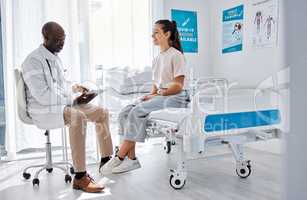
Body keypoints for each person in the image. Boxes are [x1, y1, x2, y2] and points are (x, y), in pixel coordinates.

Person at [21, 22, 113, 193]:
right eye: (57, 40)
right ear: (45, 37)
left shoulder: (55, 57)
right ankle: (80, 177)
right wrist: (72, 100)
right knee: (77, 117)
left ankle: (107, 162)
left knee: (102, 113)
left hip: (60, 104)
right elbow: (42, 96)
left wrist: (76, 89)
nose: (61, 44)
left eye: (63, 40)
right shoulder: (32, 61)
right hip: (42, 109)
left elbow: (60, 88)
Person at [101, 19, 190, 174]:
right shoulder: (157, 59)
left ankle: (120, 156)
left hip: (177, 96)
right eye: (152, 33)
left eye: (156, 32)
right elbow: (156, 87)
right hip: (163, 95)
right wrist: (151, 95)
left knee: (137, 111)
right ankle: (132, 159)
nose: (153, 36)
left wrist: (158, 95)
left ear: (167, 34)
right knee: (125, 112)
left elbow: (178, 85)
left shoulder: (176, 55)